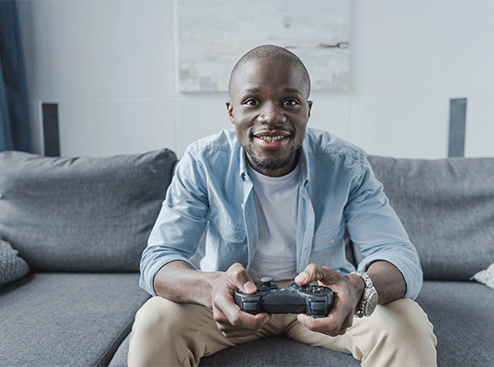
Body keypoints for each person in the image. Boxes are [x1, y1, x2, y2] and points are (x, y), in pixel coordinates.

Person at [128, 45, 437, 366]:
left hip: (326, 302)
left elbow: (399, 256)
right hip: (231, 300)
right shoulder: (202, 162)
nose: (272, 116)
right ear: (232, 111)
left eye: (289, 102)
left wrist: (357, 286)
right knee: (156, 320)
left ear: (307, 109)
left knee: (405, 323)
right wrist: (209, 286)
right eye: (252, 102)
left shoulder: (347, 164)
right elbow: (159, 258)